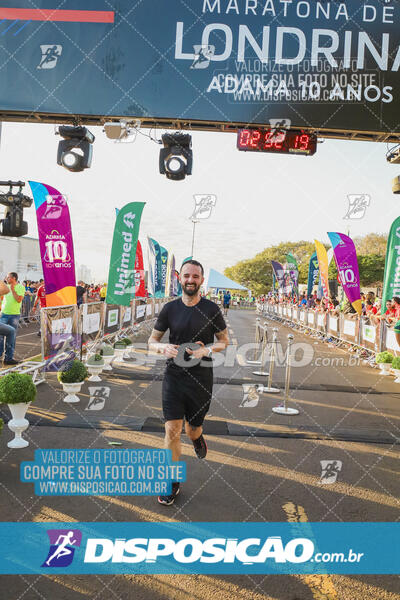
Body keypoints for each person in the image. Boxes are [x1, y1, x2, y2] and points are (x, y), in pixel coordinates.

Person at [148, 260, 229, 506]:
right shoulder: (169, 309)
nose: (191, 280)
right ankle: (171, 482)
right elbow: (152, 341)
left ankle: (196, 437)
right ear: (179, 279)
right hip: (174, 376)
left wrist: (208, 350)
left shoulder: (212, 309)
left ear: (201, 280)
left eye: (195, 276)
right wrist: (163, 347)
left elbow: (224, 341)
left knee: (191, 429)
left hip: (202, 377)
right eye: (186, 275)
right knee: (171, 430)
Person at [0, 272, 25, 365]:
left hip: (14, 315)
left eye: (8, 277)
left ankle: (8, 357)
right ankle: (0, 355)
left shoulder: (20, 287)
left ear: (14, 278)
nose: (6, 278)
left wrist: (13, 290)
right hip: (4, 314)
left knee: (12, 336)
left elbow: (19, 299)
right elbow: (2, 298)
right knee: (0, 336)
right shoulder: (5, 286)